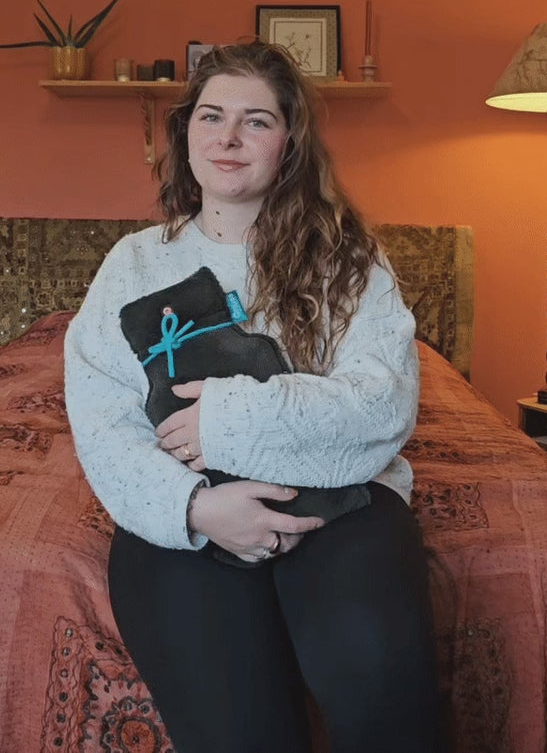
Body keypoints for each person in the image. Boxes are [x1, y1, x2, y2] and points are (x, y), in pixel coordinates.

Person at [64, 40, 442, 753]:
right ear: (187, 133)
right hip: (185, 513)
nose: (228, 137)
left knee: (385, 707)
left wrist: (227, 419)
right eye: (211, 116)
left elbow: (381, 405)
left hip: (342, 504)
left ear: (289, 143)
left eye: (256, 120)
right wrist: (195, 507)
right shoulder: (134, 264)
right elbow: (102, 420)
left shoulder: (349, 258)